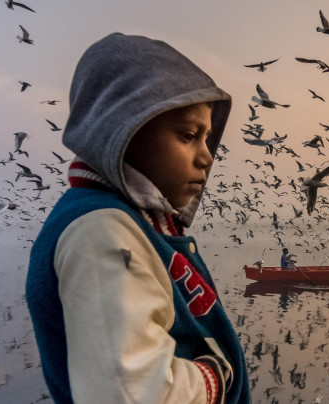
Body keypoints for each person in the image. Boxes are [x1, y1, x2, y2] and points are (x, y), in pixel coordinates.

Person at [26, 33, 250, 404]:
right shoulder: (100, 231)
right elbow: (129, 393)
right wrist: (216, 376)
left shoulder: (141, 227)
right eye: (189, 135)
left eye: (208, 139)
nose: (207, 157)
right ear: (124, 130)